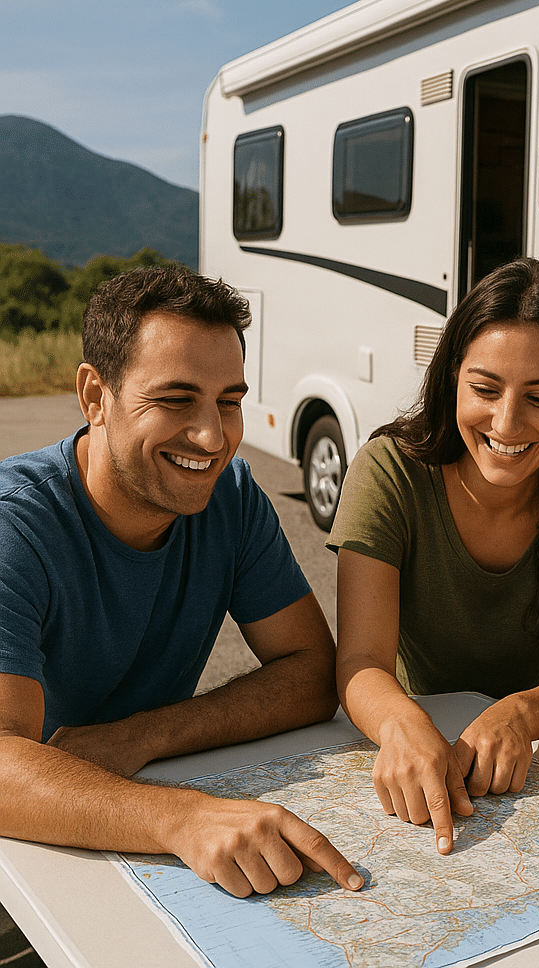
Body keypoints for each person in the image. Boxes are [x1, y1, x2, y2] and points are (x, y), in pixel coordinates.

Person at [0, 267, 364, 898]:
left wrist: (143, 734)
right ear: (94, 395)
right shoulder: (16, 525)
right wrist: (179, 815)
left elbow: (310, 673)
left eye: (229, 401)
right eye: (174, 400)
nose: (212, 437)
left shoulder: (233, 499)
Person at [331, 257, 539, 855]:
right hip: (411, 747)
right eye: (484, 389)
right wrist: (399, 724)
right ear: (451, 378)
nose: (506, 423)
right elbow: (360, 659)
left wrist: (521, 714)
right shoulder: (388, 470)